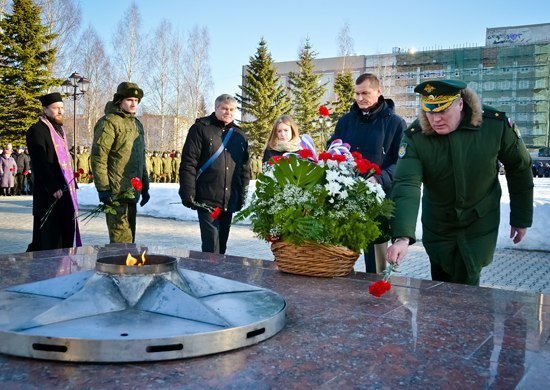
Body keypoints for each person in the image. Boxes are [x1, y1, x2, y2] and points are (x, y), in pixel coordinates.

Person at [386, 79, 534, 286]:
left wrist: (521, 216)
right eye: (430, 111)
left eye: (442, 111)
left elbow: (520, 167)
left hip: (479, 219)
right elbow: (406, 184)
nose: (435, 119)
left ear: (460, 104)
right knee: (440, 276)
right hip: (439, 222)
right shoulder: (415, 137)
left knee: (468, 275)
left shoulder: (494, 124)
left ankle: (467, 316)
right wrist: (401, 237)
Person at [328, 73, 406, 274]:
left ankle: (378, 304)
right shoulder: (345, 122)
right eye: (357, 93)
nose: (360, 98)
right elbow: (333, 150)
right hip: (346, 203)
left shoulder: (396, 124)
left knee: (377, 270)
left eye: (365, 93)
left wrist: (379, 179)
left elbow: (401, 164)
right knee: (339, 266)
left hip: (378, 206)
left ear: (379, 92)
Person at [179, 94, 250, 254]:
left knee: (222, 245)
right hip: (207, 196)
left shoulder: (240, 135)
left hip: (229, 197)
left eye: (232, 109)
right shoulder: (201, 129)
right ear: (216, 108)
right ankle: (208, 276)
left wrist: (242, 194)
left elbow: (244, 167)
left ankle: (217, 276)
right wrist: (187, 192)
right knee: (211, 245)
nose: (228, 112)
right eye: (224, 108)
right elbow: (189, 162)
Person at [91, 82, 150, 243]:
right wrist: (103, 188)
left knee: (129, 241)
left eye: (136, 101)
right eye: (130, 99)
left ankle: (126, 268)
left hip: (132, 192)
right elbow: (98, 157)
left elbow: (140, 159)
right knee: (121, 243)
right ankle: (119, 268)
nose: (133, 104)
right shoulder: (109, 122)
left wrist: (144, 186)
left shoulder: (137, 124)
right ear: (119, 100)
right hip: (116, 193)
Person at [26, 92, 81, 250]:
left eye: (62, 107)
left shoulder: (60, 130)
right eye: (56, 108)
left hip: (66, 192)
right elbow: (40, 162)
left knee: (66, 235)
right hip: (49, 194)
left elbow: (66, 162)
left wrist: (73, 184)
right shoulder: (37, 130)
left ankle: (66, 268)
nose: (60, 111)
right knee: (49, 240)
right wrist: (53, 186)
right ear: (45, 109)